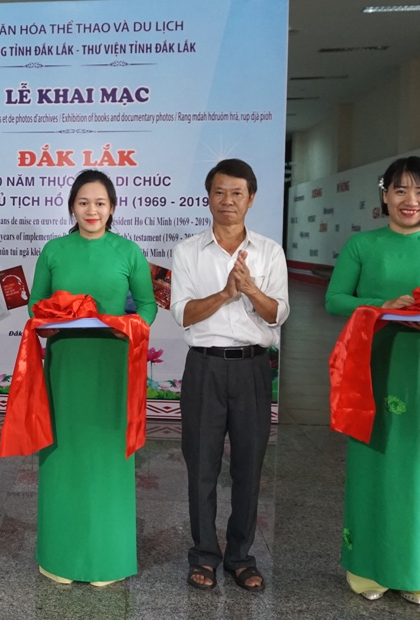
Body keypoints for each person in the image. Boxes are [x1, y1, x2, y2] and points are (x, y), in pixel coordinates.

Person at [325, 156, 420, 605]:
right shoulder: (361, 247)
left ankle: (417, 570)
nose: (411, 201)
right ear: (384, 195)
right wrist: (384, 305)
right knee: (373, 463)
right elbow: (334, 300)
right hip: (373, 361)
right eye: (401, 190)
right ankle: (369, 569)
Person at [28, 169, 156, 586]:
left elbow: (149, 307)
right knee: (62, 455)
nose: (92, 210)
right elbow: (34, 308)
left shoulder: (129, 252)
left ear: (113, 208)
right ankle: (58, 555)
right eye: (83, 202)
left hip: (112, 366)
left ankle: (107, 557)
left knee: (107, 460)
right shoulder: (54, 251)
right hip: (65, 366)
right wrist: (58, 315)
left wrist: (130, 325)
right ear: (71, 207)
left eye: (100, 203)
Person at [169, 158, 289, 591]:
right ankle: (203, 554)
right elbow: (181, 313)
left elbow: (280, 313)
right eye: (220, 192)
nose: (228, 201)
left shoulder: (270, 252)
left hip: (254, 368)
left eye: (237, 193)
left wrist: (252, 289)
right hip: (204, 369)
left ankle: (240, 556)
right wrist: (225, 293)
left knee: (248, 467)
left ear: (251, 199)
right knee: (201, 466)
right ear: (208, 197)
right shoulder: (187, 251)